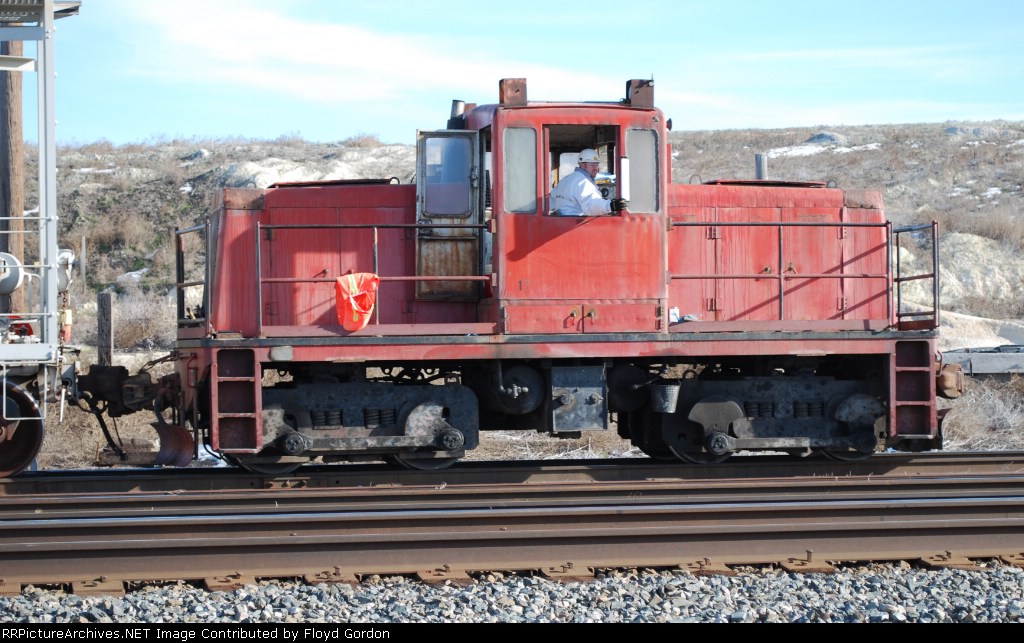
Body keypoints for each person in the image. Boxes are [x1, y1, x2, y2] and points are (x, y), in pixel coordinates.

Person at [549, 149, 628, 216]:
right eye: (592, 165)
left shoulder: (566, 179)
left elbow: (551, 201)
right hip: (573, 225)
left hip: (560, 222)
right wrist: (611, 205)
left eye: (596, 165)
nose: (595, 168)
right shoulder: (583, 182)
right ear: (582, 165)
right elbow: (591, 206)